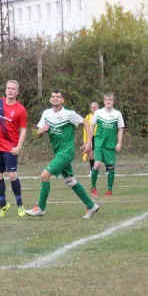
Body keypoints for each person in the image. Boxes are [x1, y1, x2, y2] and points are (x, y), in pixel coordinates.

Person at [26, 90, 99, 219]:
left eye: (58, 97)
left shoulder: (68, 114)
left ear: (62, 100)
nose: (55, 99)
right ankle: (91, 205)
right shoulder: (46, 114)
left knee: (44, 175)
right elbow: (38, 134)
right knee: (70, 181)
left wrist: (89, 143)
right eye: (53, 97)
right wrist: (42, 130)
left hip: (67, 152)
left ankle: (40, 208)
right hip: (58, 153)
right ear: (50, 100)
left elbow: (86, 122)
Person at [0, 80, 28, 218]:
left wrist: (19, 146)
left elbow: (23, 130)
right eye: (8, 88)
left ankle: (20, 204)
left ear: (17, 92)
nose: (10, 91)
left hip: (11, 147)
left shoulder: (20, 109)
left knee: (12, 176)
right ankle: (3, 205)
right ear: (5, 90)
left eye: (13, 89)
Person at [90, 93, 125, 197]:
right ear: (104, 101)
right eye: (106, 100)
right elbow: (91, 125)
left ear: (113, 101)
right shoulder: (98, 112)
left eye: (110, 100)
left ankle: (109, 190)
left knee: (110, 167)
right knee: (96, 164)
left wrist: (119, 142)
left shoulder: (117, 114)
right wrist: (91, 140)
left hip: (111, 145)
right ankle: (93, 187)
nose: (108, 102)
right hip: (99, 143)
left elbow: (120, 129)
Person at [83, 102, 99, 175]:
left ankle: (108, 168)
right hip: (91, 137)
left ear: (98, 108)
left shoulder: (101, 116)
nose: (94, 108)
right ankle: (92, 169)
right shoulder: (88, 117)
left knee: (100, 153)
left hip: (99, 137)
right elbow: (85, 129)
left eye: (95, 107)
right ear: (90, 108)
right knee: (91, 153)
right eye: (92, 107)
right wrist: (85, 140)